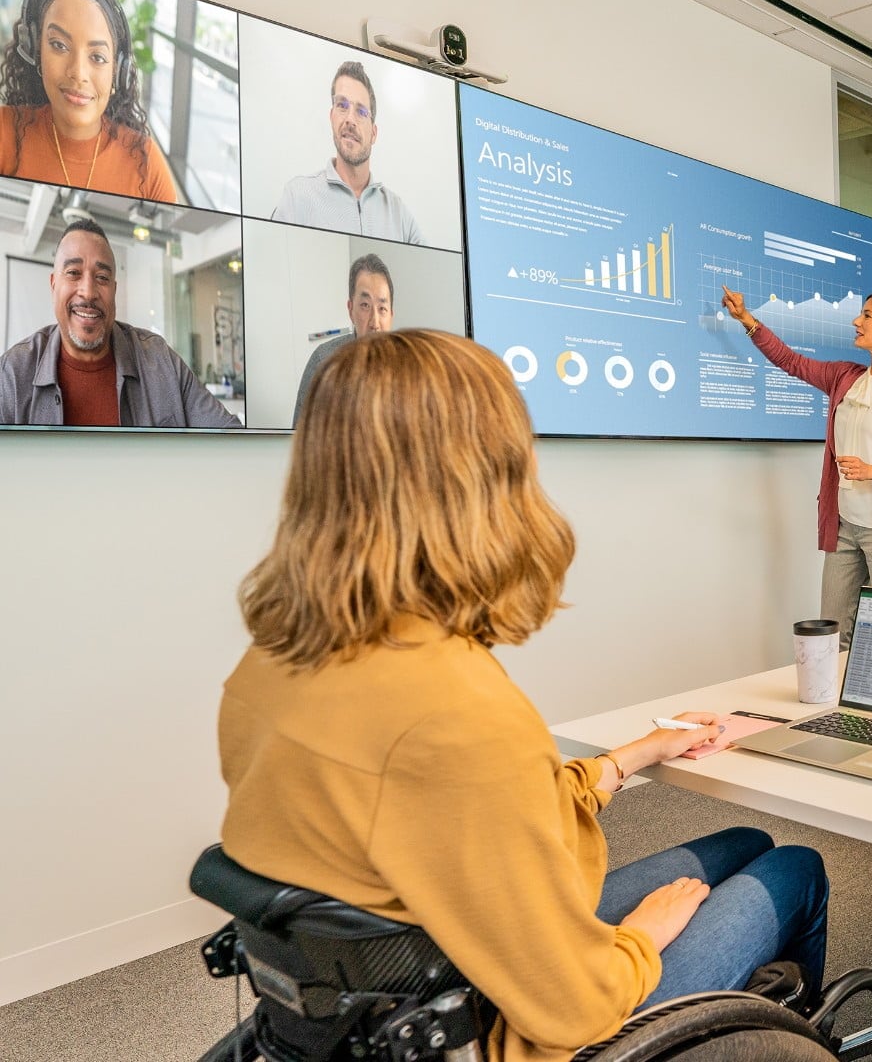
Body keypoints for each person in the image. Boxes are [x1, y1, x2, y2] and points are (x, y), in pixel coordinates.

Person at [220, 329, 830, 1062]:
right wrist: (641, 936)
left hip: (421, 985)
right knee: (795, 869)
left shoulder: (266, 670)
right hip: (520, 1028)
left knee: (744, 843)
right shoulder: (456, 710)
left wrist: (632, 755)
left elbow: (464, 815)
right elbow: (572, 1009)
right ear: (482, 477)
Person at [722, 283, 872, 647]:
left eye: (867, 315)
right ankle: (835, 704)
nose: (857, 321)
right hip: (844, 527)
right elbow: (791, 361)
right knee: (833, 635)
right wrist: (746, 319)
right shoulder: (845, 377)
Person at [0, 216, 235, 427]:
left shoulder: (160, 360)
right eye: (73, 273)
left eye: (102, 277)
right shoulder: (13, 373)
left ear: (114, 290)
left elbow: (231, 439)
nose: (89, 292)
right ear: (53, 285)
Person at [0, 0, 179, 202]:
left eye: (97, 57)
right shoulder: (5, 132)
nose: (78, 73)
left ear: (118, 73)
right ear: (35, 49)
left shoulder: (147, 166)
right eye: (59, 45)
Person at [271, 60, 427, 244]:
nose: (350, 119)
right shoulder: (297, 197)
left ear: (374, 134)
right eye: (342, 106)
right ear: (332, 117)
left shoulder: (398, 214)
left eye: (361, 112)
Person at [294, 253, 394, 413]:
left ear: (391, 315)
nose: (375, 323)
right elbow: (299, 435)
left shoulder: (410, 369)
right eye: (365, 305)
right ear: (350, 310)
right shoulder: (323, 362)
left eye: (382, 309)